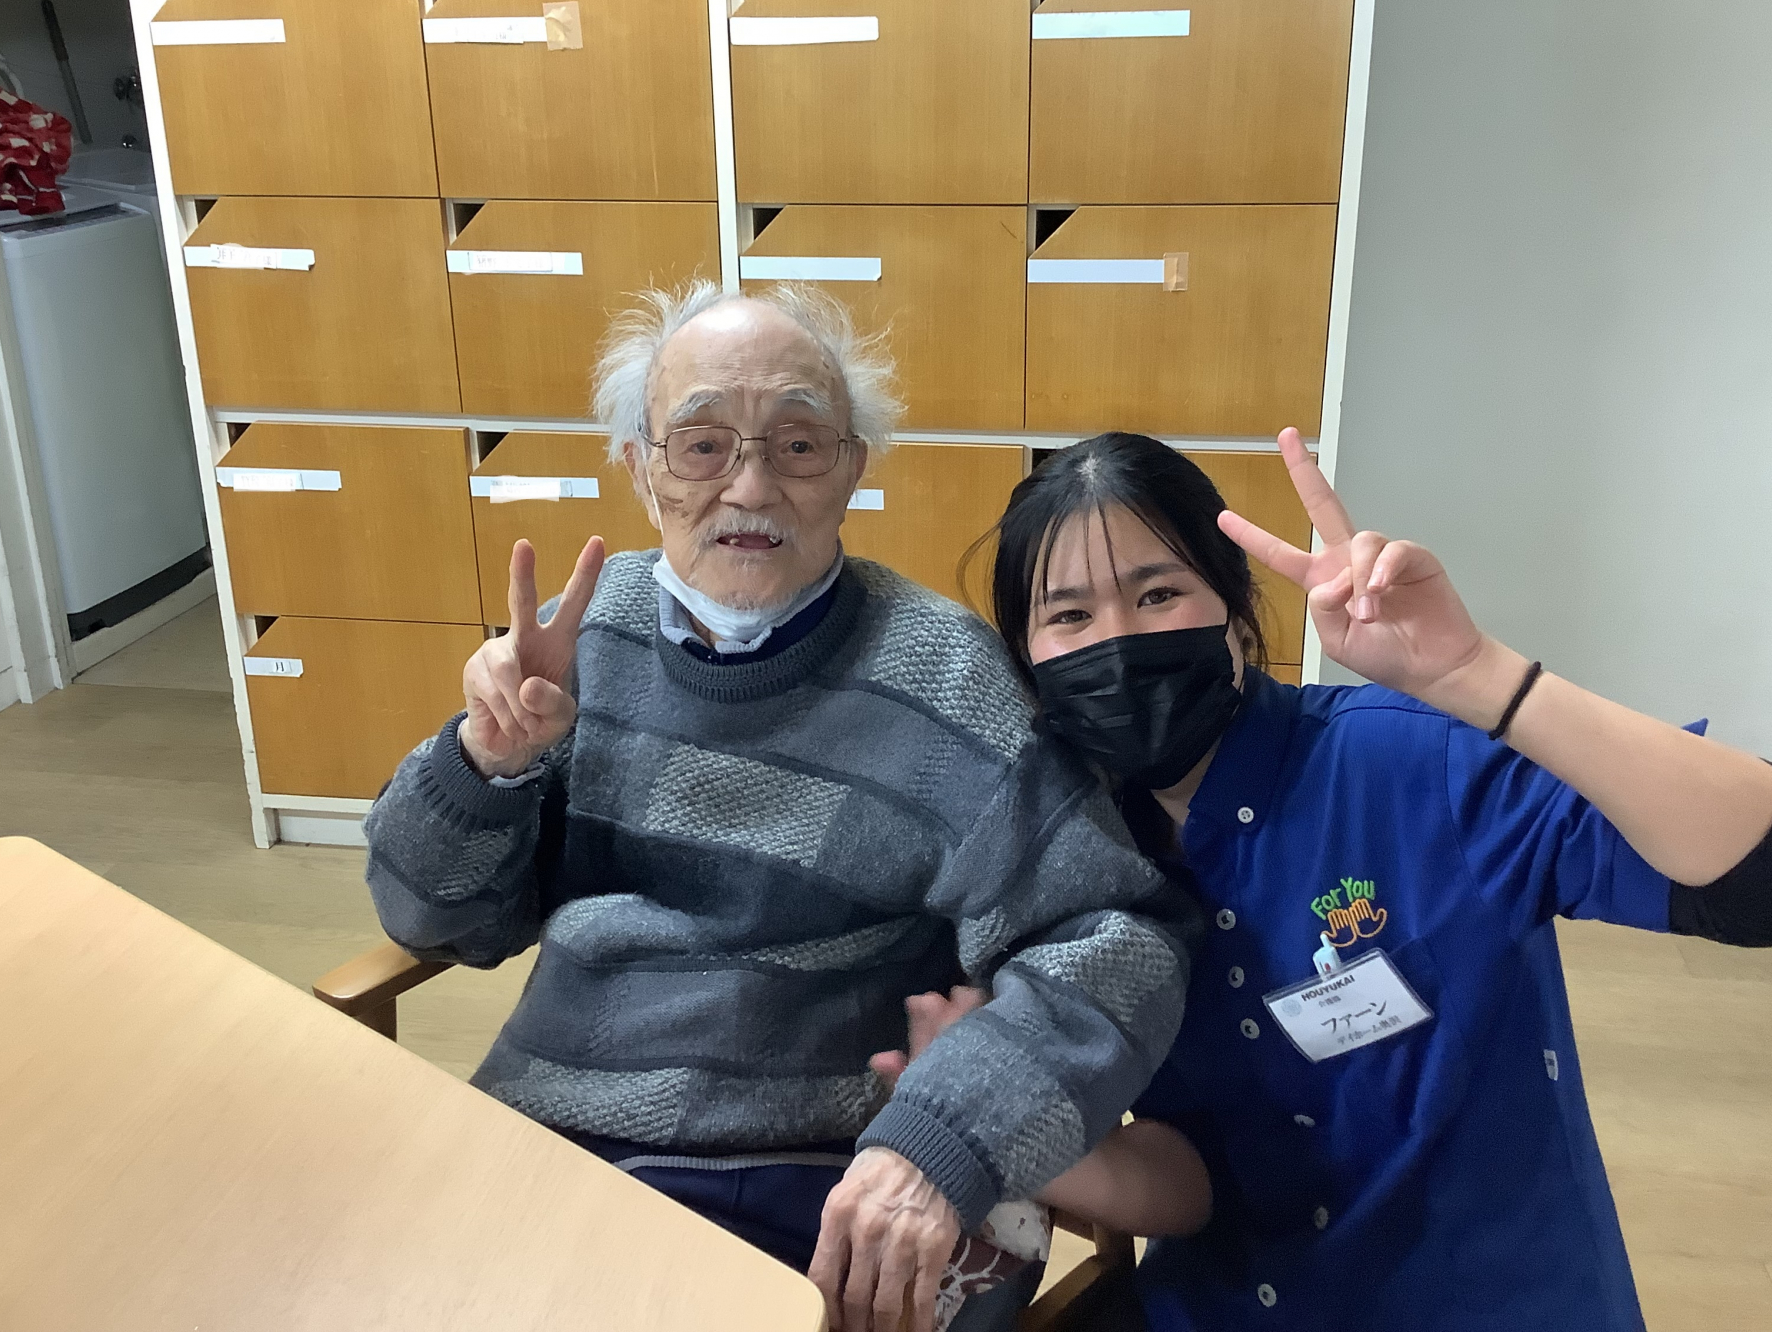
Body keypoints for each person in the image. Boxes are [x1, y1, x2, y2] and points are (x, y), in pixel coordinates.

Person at [359, 285, 1202, 1332]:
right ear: (641, 468)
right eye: (702, 445)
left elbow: (1113, 940)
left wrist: (943, 1137)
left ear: (851, 469)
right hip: (551, 1140)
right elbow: (426, 918)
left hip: (818, 1174)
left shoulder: (946, 677)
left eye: (798, 445)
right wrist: (484, 762)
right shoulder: (583, 640)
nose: (750, 486)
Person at [900, 427, 1772, 1330]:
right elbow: (1197, 1172)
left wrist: (1477, 675)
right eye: (1068, 616)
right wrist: (1024, 1131)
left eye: (1158, 593)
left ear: (1235, 604)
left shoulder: (1415, 767)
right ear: (1027, 660)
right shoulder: (1082, 865)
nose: (1117, 640)